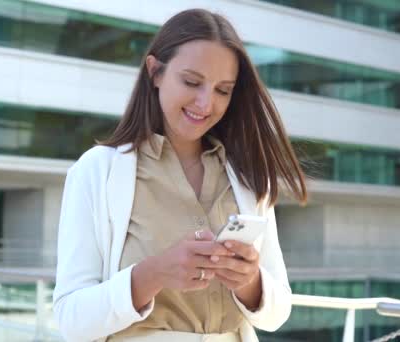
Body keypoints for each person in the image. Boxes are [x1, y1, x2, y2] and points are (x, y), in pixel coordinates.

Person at [52, 8, 307, 342]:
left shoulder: (246, 178)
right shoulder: (97, 171)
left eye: (223, 90)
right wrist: (153, 274)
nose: (205, 103)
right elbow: (70, 318)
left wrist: (248, 281)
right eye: (191, 82)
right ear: (155, 72)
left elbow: (278, 312)